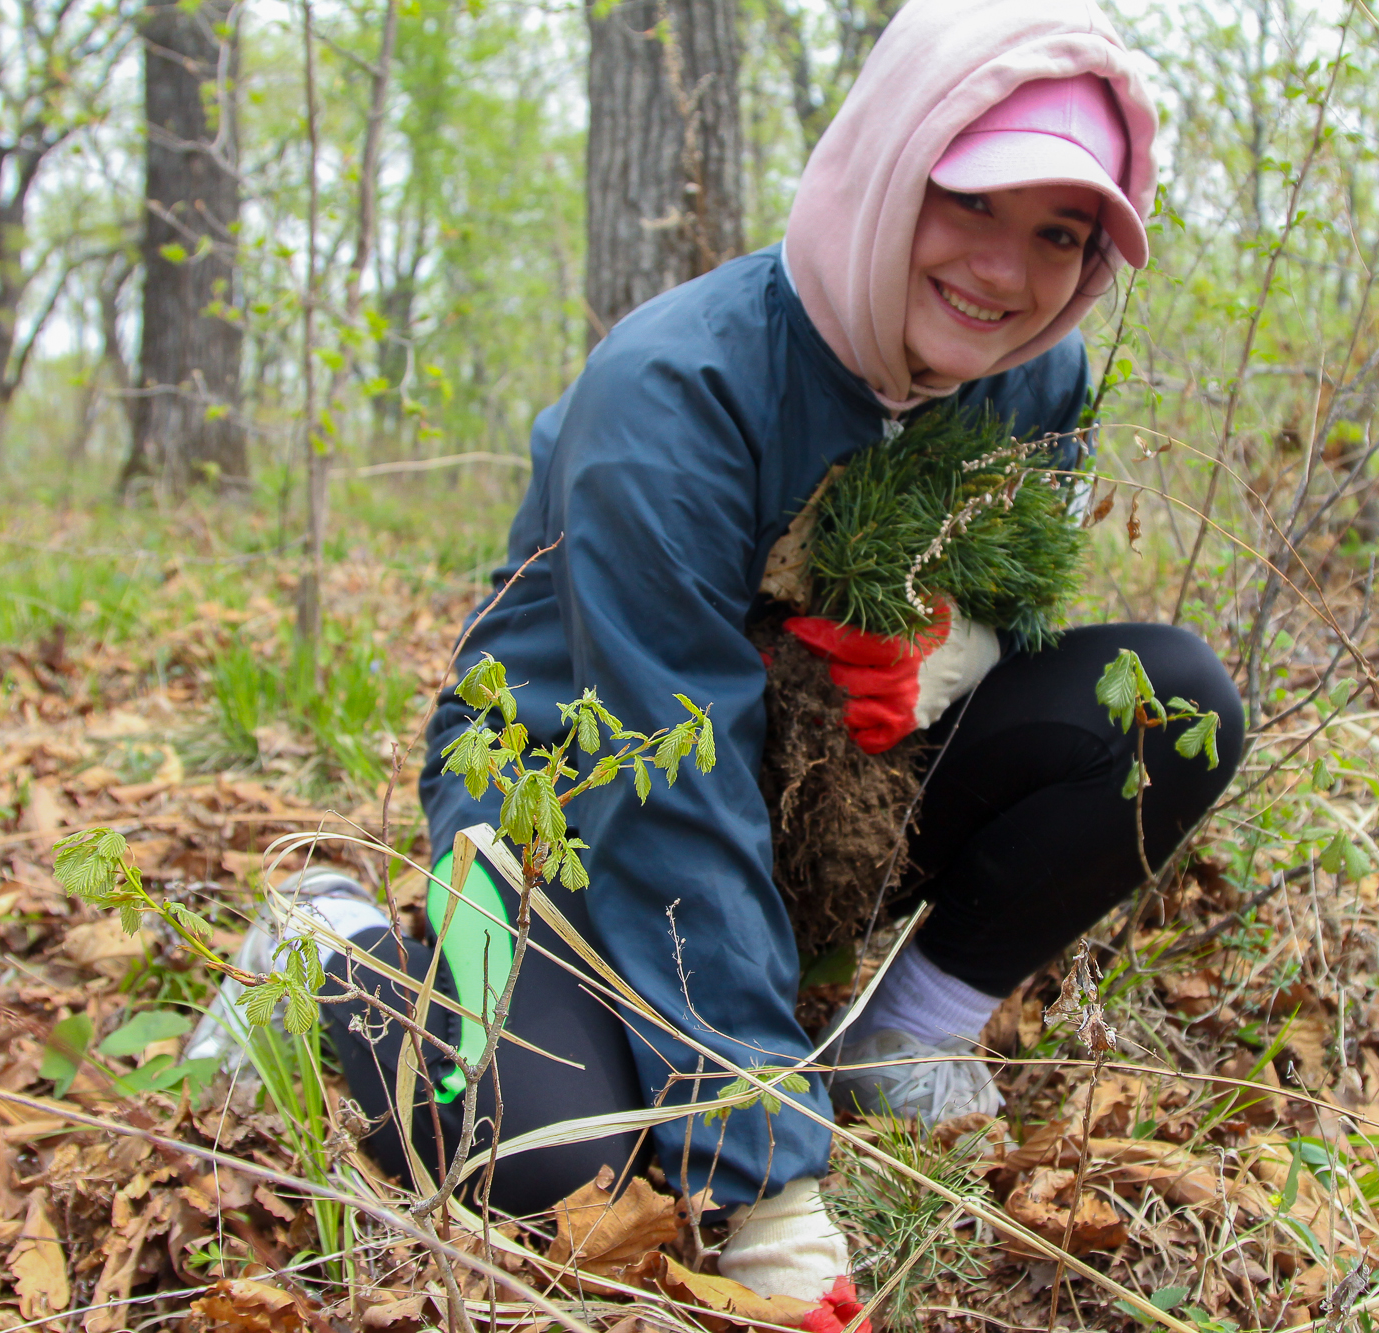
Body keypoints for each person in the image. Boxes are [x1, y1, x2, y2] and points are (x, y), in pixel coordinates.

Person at [190, 0, 1241, 1322]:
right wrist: (769, 1192)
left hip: (836, 786)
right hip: (579, 788)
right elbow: (661, 793)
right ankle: (329, 952)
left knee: (1168, 704)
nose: (1006, 271)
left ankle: (901, 1034)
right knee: (559, 1161)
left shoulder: (1031, 375)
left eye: (1060, 236)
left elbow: (1018, 584)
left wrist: (947, 651)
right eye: (971, 203)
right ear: (890, 169)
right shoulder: (675, 392)